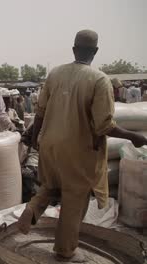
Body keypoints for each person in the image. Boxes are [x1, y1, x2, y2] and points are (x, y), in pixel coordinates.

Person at [16, 30, 147, 262]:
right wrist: (132, 136)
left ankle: (32, 209)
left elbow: (39, 113)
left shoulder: (54, 74)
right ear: (95, 51)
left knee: (49, 185)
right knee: (74, 199)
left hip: (49, 144)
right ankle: (65, 251)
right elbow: (104, 125)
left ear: (74, 48)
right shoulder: (99, 79)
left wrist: (37, 140)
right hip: (78, 150)